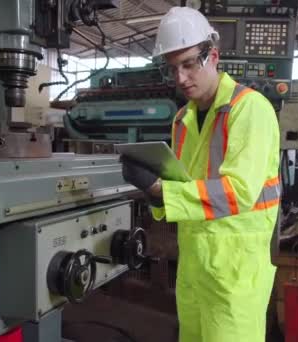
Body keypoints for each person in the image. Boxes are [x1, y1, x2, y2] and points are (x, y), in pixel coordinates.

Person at [120, 7, 280, 342]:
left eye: (189, 63)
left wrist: (160, 191)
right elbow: (180, 185)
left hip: (235, 278)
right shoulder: (182, 120)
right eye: (173, 68)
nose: (180, 78)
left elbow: (238, 192)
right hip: (193, 270)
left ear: (214, 56)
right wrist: (153, 190)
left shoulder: (249, 110)